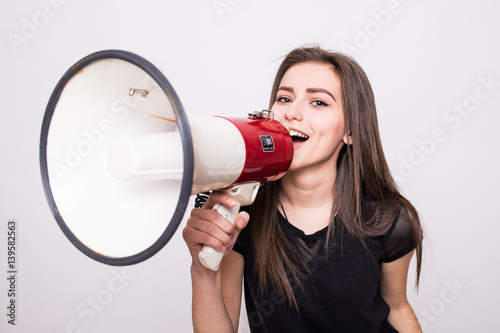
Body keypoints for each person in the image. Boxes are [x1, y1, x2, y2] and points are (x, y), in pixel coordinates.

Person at [182, 46, 423, 333]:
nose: (292, 113)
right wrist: (202, 270)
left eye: (318, 102)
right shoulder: (243, 214)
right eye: (284, 98)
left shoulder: (388, 220)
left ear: (351, 131)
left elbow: (396, 307)